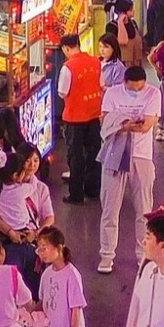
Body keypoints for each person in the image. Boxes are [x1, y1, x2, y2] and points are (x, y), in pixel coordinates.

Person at [98, 64, 163, 275]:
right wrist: (123, 125)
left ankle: (143, 254)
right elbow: (104, 121)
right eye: (132, 89)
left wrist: (121, 125)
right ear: (124, 83)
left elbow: (146, 125)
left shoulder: (153, 93)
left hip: (142, 156)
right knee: (110, 208)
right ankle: (106, 255)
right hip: (115, 154)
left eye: (140, 88)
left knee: (144, 210)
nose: (137, 91)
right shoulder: (112, 93)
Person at [0, 148, 54, 285]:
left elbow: (50, 218)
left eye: (36, 160)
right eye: (27, 161)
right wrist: (10, 232)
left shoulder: (41, 188)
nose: (32, 165)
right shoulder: (7, 185)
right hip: (9, 241)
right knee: (14, 280)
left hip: (31, 239)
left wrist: (36, 233)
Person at [56, 34, 106, 205]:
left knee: (76, 156)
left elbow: (62, 92)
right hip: (94, 115)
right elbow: (102, 85)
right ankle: (93, 190)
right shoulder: (96, 62)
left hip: (74, 118)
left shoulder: (68, 67)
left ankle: (76, 195)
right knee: (94, 153)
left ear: (66, 48)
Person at [110, 0, 146, 69]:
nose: (133, 11)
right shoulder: (112, 26)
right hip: (122, 64)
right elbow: (123, 41)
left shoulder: (133, 23)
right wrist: (120, 22)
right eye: (130, 10)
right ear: (122, 12)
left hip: (136, 62)